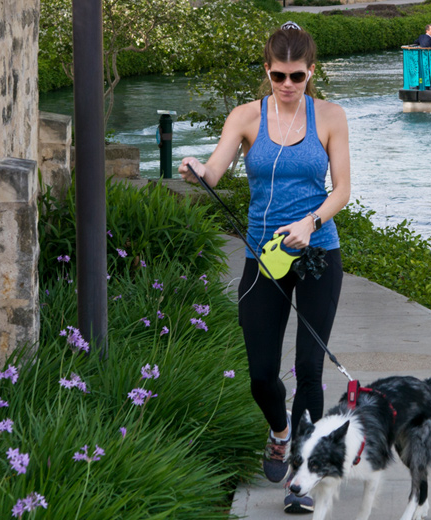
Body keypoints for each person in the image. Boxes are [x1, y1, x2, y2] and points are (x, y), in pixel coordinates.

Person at [178, 21, 350, 516]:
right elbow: (215, 171)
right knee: (260, 375)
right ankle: (278, 432)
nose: (288, 86)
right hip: (264, 257)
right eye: (279, 76)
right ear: (267, 71)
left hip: (317, 252)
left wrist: (311, 221)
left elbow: (341, 189)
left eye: (298, 76)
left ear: (311, 72)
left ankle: (303, 478)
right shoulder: (246, 117)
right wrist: (197, 170)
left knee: (311, 370)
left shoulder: (331, 117)